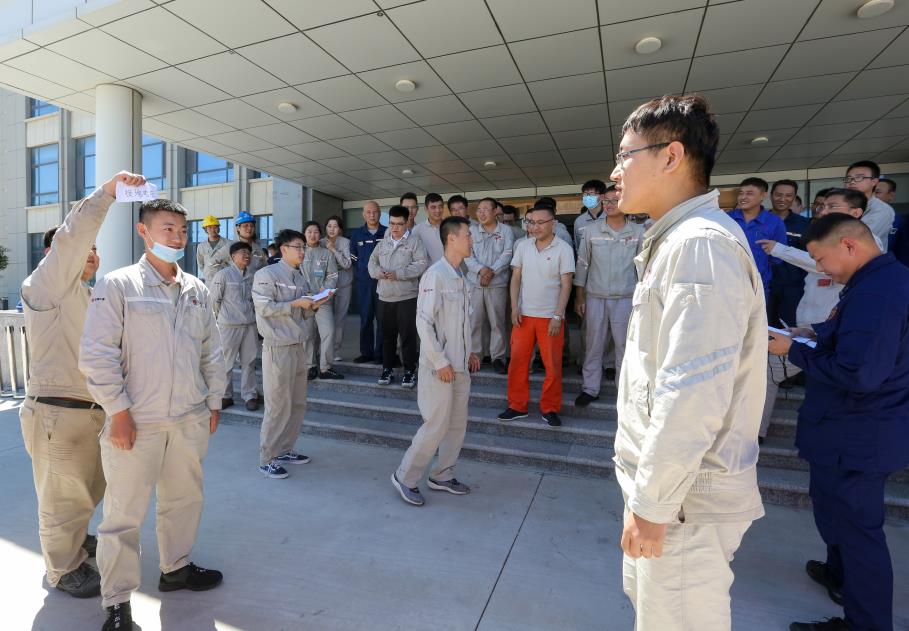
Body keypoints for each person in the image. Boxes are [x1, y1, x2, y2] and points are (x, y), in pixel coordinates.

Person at [611, 94, 766, 631]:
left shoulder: (700, 245)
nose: (615, 172)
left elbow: (691, 392)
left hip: (683, 505)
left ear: (671, 156)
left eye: (626, 155)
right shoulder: (676, 240)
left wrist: (653, 505)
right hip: (671, 497)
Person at [79, 198, 227, 631]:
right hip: (136, 421)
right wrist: (118, 412)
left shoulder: (196, 289)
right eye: (167, 229)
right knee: (123, 516)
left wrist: (214, 401)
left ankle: (175, 567)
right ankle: (117, 601)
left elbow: (212, 351)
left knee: (184, 500)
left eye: (182, 230)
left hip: (189, 418)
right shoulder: (118, 285)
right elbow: (97, 355)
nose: (177, 238)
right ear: (143, 231)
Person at [770, 214, 909, 631]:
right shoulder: (875, 281)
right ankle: (839, 574)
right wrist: (812, 332)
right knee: (835, 514)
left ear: (849, 245)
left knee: (858, 532)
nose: (821, 269)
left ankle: (865, 623)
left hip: (859, 433)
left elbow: (859, 373)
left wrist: (793, 351)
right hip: (847, 430)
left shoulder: (878, 292)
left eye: (820, 259)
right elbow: (853, 337)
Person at [20, 171, 144, 601]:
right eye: (83, 248)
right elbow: (71, 239)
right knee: (61, 499)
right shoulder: (46, 287)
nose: (90, 253)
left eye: (95, 249)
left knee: (89, 491)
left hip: (94, 413)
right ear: (55, 255)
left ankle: (75, 541)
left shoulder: (90, 297)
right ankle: (62, 568)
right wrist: (107, 194)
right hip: (58, 412)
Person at [756, 190, 873, 445]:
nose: (823, 210)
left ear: (855, 214)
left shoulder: (869, 254)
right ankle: (757, 433)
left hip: (831, 341)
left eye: (832, 206)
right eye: (822, 206)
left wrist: (779, 249)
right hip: (810, 333)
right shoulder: (826, 242)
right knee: (770, 373)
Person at [391, 216, 480, 506]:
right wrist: (440, 360)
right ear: (451, 238)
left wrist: (469, 351)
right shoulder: (435, 275)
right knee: (435, 426)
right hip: (439, 368)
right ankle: (405, 476)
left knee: (456, 426)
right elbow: (424, 322)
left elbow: (460, 323)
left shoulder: (460, 276)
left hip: (460, 367)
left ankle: (442, 475)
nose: (472, 240)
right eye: (468, 235)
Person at [252, 229, 331, 480]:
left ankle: (284, 450)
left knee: (297, 403)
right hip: (277, 347)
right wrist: (295, 303)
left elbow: (303, 313)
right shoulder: (266, 275)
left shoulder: (300, 277)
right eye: (298, 246)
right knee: (277, 405)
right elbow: (264, 307)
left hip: (298, 345)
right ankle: (267, 458)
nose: (302, 251)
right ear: (283, 249)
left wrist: (315, 304)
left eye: (303, 247)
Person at [497, 201, 574, 427]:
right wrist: (514, 307)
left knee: (552, 366)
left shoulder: (563, 248)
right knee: (518, 363)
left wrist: (558, 315)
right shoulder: (523, 246)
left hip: (550, 317)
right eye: (531, 222)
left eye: (541, 222)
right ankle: (517, 406)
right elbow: (516, 279)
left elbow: (566, 285)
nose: (535, 227)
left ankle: (550, 408)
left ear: (553, 223)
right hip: (524, 315)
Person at [573, 185, 644, 407]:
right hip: (596, 296)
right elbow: (582, 265)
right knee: (593, 345)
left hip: (626, 297)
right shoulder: (591, 230)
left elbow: (643, 268)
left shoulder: (638, 232)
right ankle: (590, 388)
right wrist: (579, 296)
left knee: (625, 346)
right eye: (606, 201)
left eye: (615, 200)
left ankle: (624, 392)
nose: (610, 204)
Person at [368, 205, 429, 388]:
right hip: (385, 297)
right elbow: (371, 263)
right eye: (392, 223)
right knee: (387, 336)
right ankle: (387, 370)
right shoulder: (383, 243)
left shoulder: (415, 242)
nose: (395, 228)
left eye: (399, 224)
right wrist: (378, 272)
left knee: (408, 336)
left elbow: (421, 264)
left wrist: (398, 274)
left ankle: (409, 371)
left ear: (406, 223)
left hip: (406, 297)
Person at [465, 197, 514, 375]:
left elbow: (507, 254)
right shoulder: (471, 231)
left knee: (497, 322)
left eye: (486, 209)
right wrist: (481, 270)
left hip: (497, 284)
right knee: (475, 321)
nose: (482, 213)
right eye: (479, 210)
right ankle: (475, 356)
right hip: (475, 283)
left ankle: (498, 357)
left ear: (495, 212)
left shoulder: (506, 231)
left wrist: (492, 272)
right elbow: (467, 255)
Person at [210, 241, 260, 412]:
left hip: (249, 325)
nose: (246, 255)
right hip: (228, 326)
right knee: (225, 363)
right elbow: (214, 301)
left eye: (248, 252)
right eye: (242, 252)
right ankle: (225, 395)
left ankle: (250, 395)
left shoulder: (252, 276)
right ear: (232, 256)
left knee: (249, 362)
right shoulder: (223, 275)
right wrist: (216, 322)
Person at [728, 177, 788, 298]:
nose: (743, 197)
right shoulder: (726, 218)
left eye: (749, 193)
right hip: (727, 285)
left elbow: (778, 256)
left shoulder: (774, 222)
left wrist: (761, 263)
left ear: (763, 195)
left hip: (758, 287)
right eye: (741, 193)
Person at [301, 221, 342, 381]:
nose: (313, 235)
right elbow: (294, 274)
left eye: (316, 232)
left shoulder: (327, 253)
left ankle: (325, 367)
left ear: (320, 234)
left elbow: (333, 275)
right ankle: (310, 366)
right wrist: (304, 293)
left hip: (323, 299)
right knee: (308, 334)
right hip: (304, 300)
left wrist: (324, 290)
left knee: (329, 331)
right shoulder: (299, 252)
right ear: (304, 234)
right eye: (309, 232)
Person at [767, 179, 810, 328]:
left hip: (794, 288)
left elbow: (810, 256)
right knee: (763, 329)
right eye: (778, 195)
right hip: (766, 286)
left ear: (794, 197)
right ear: (771, 195)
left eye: (788, 195)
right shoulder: (760, 221)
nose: (783, 199)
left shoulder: (805, 224)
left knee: (790, 329)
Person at [349, 201, 386, 364]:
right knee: (365, 319)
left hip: (384, 283)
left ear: (380, 213)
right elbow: (353, 257)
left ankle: (380, 354)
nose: (372, 215)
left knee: (383, 320)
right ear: (363, 214)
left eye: (375, 212)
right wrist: (361, 271)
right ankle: (366, 353)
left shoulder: (387, 232)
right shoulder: (357, 234)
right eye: (369, 212)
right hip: (364, 284)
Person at [844, 160, 894, 252]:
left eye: (859, 177)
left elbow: (858, 238)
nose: (852, 182)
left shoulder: (882, 209)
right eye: (848, 178)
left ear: (874, 182)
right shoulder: (843, 205)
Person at [323, 216, 353, 362]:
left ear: (340, 229)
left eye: (335, 226)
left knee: (340, 318)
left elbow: (347, 264)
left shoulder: (345, 242)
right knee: (325, 318)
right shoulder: (321, 242)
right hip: (326, 285)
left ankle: (335, 350)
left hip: (343, 284)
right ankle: (323, 349)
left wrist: (333, 249)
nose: (332, 229)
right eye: (329, 226)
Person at [195, 214, 232, 283]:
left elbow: (233, 262)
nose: (213, 230)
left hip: (226, 280)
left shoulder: (228, 243)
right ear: (205, 229)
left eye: (215, 227)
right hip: (209, 281)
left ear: (219, 228)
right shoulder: (201, 246)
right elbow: (200, 264)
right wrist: (208, 272)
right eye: (210, 227)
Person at [411, 192, 445, 264]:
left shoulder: (450, 226)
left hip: (451, 269)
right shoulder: (418, 230)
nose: (438, 210)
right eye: (433, 207)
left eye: (440, 206)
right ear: (426, 209)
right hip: (430, 270)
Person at [574, 179, 607, 244]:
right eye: (585, 194)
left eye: (591, 194)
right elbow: (578, 246)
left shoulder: (611, 217)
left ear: (602, 197)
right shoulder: (579, 221)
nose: (588, 197)